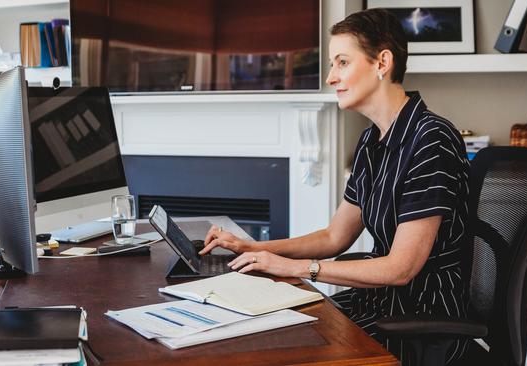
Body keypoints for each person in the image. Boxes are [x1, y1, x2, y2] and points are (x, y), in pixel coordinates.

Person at [200, 8, 470, 364]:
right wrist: (255, 248)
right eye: (332, 64)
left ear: (382, 63)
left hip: (420, 322)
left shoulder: (431, 140)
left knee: (289, 352)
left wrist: (296, 268)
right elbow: (334, 237)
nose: (330, 77)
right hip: (378, 303)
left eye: (342, 62)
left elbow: (401, 268)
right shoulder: (371, 142)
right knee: (264, 332)